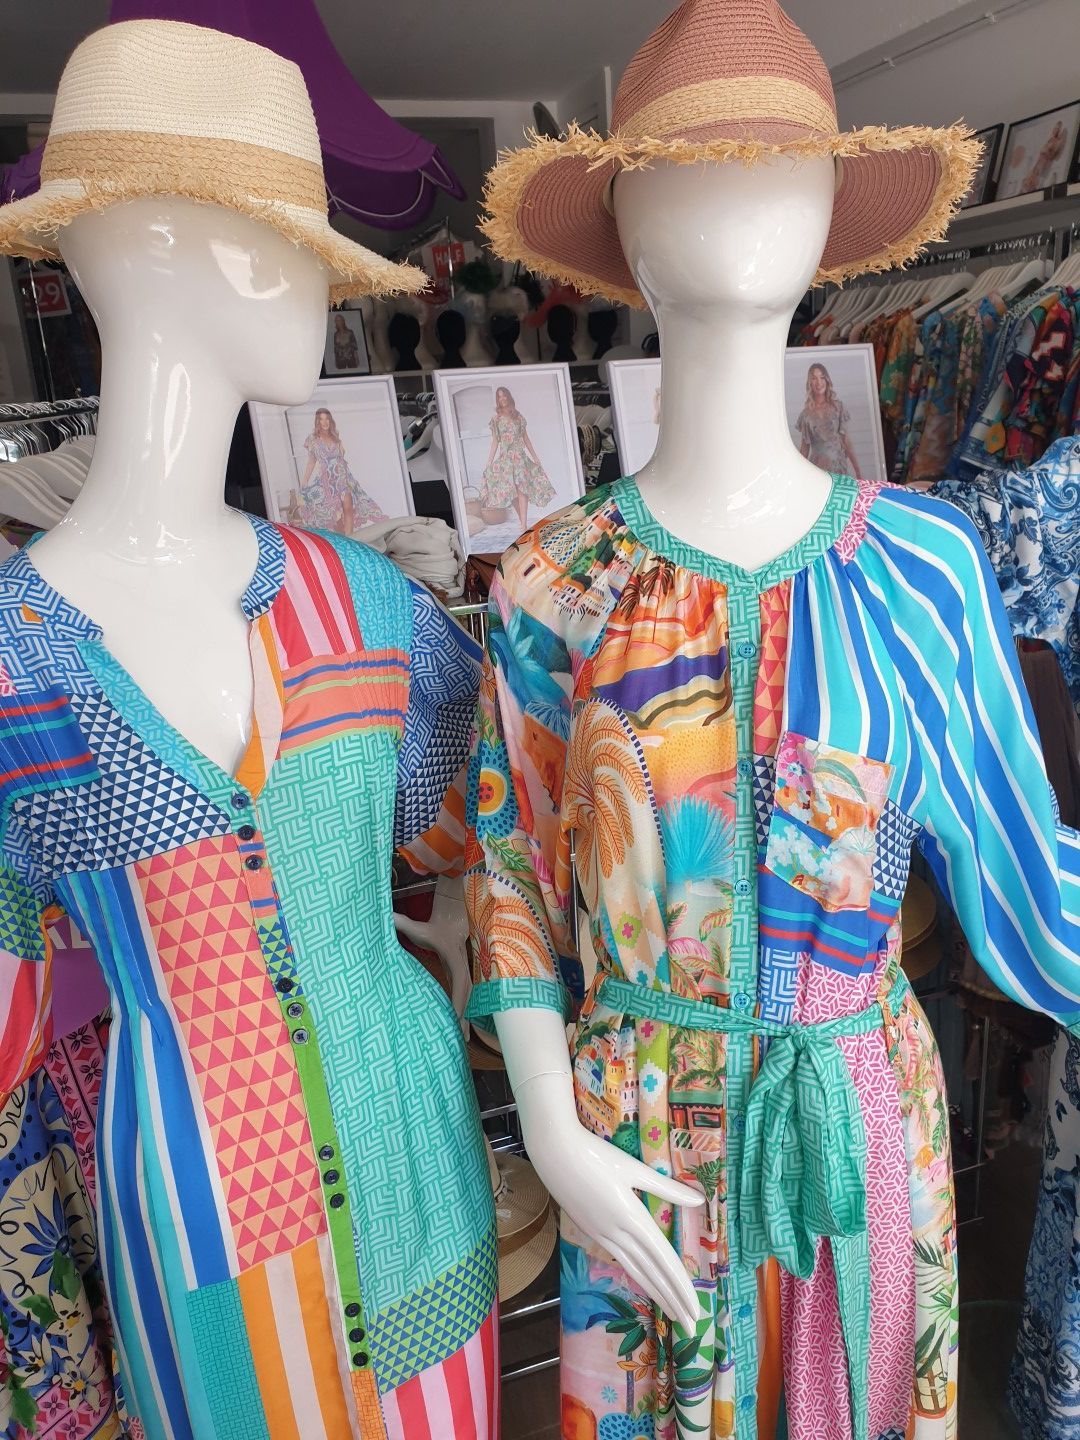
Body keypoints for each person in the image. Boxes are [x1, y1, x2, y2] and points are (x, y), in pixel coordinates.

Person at [294, 406, 387, 533]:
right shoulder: (313, 440)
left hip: (343, 477)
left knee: (348, 508)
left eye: (327, 419)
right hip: (327, 481)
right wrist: (304, 482)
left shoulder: (335, 437)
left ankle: (351, 540)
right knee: (334, 515)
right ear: (317, 422)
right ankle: (343, 539)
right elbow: (311, 462)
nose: (325, 422)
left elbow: (341, 456)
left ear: (330, 420)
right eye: (321, 419)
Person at [479, 385, 556, 529]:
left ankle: (523, 524)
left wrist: (535, 456)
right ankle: (523, 521)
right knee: (512, 493)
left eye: (504, 395)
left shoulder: (518, 416)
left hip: (519, 458)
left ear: (508, 397)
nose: (502, 398)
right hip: (505, 460)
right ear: (498, 400)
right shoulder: (496, 419)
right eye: (499, 396)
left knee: (522, 490)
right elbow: (495, 440)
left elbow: (525, 438)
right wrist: (489, 460)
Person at [796, 361, 862, 477]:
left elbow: (846, 441)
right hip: (817, 471)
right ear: (809, 383)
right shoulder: (806, 415)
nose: (819, 382)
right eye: (814, 378)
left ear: (827, 380)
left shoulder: (838, 407)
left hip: (838, 468)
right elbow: (804, 450)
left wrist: (858, 471)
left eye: (822, 377)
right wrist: (797, 476)